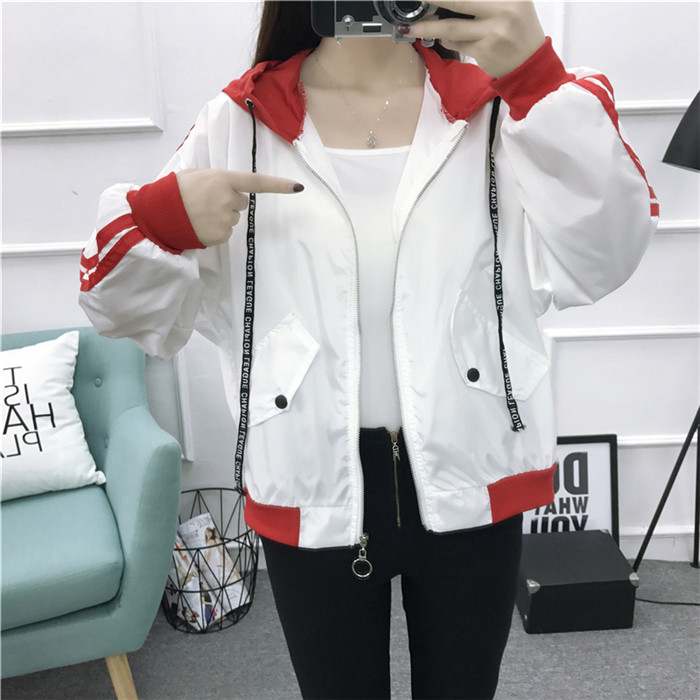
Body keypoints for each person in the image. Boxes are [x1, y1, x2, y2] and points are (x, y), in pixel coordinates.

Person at [79, 1, 658, 698]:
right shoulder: (240, 123)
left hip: (474, 467)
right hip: (310, 477)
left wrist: (535, 78)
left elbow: (607, 252)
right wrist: (167, 220)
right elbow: (116, 307)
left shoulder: (500, 110)